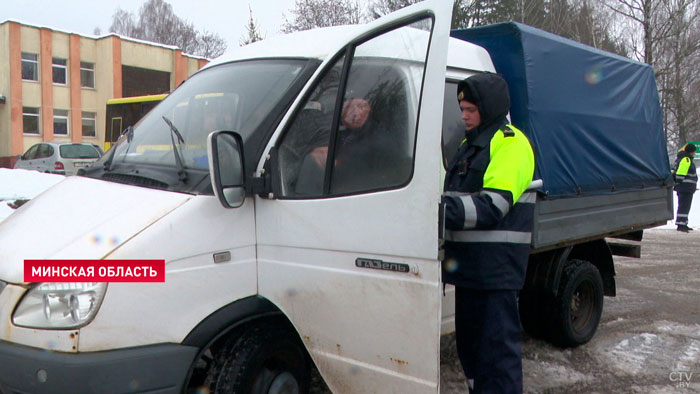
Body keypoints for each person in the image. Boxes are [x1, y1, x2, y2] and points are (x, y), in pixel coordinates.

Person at [442, 73, 535, 394]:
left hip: (495, 276)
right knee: (472, 358)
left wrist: (433, 212)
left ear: (490, 106)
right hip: (470, 273)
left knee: (497, 362)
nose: (464, 115)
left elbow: (492, 206)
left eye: (470, 109)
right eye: (462, 109)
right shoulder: (471, 145)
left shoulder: (511, 144)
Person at [674, 143, 697, 232]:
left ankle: (683, 223)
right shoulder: (686, 159)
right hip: (685, 188)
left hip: (684, 188)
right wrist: (681, 183)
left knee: (683, 206)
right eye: (694, 151)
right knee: (684, 206)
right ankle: (681, 224)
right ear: (691, 151)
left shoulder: (682, 158)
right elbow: (680, 174)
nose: (694, 153)